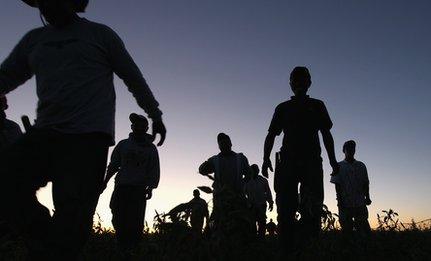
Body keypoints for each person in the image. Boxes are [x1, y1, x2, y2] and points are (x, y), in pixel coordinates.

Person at [0, 0, 166, 259]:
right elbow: (6, 76)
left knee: (73, 215)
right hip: (45, 134)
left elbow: (132, 76)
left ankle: (57, 248)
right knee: (6, 180)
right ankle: (47, 241)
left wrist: (154, 113)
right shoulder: (35, 40)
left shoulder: (99, 35)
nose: (47, 6)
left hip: (88, 139)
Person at [262, 66, 338, 253]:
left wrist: (333, 161)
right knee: (285, 209)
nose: (299, 83)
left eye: (303, 80)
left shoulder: (318, 105)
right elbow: (271, 135)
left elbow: (326, 134)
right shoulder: (283, 108)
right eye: (295, 80)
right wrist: (265, 159)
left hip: (312, 161)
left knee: (312, 207)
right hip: (287, 163)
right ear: (290, 84)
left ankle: (310, 247)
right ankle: (286, 249)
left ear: (309, 83)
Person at [101, 114, 160, 254]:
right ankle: (121, 244)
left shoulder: (150, 148)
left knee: (136, 220)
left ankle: (132, 249)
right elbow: (113, 165)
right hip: (122, 186)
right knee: (117, 213)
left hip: (138, 189)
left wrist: (151, 187)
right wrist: (105, 182)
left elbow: (154, 168)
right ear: (132, 127)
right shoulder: (123, 144)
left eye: (141, 125)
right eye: (135, 124)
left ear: (146, 128)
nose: (137, 127)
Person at [199, 133, 251, 223]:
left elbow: (249, 174)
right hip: (220, 200)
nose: (224, 145)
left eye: (226, 142)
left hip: (238, 198)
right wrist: (204, 166)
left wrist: (242, 185)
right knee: (218, 225)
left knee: (240, 224)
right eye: (221, 143)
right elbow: (202, 170)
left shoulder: (241, 158)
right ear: (219, 146)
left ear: (231, 143)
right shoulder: (214, 160)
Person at [330, 140, 371, 235]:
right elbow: (337, 185)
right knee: (346, 230)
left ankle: (365, 247)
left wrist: (367, 197)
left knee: (363, 229)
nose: (350, 150)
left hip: (360, 202)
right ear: (344, 150)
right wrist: (339, 202)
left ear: (355, 150)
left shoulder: (361, 165)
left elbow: (366, 183)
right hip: (345, 203)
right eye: (348, 148)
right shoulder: (338, 166)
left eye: (352, 148)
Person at [244, 164, 274, 238]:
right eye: (253, 170)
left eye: (256, 170)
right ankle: (253, 240)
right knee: (252, 223)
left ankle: (261, 240)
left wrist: (270, 202)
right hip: (251, 206)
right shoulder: (246, 181)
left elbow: (268, 192)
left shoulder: (263, 180)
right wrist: (246, 203)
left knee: (262, 223)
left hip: (261, 205)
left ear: (258, 171)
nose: (255, 171)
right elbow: (243, 194)